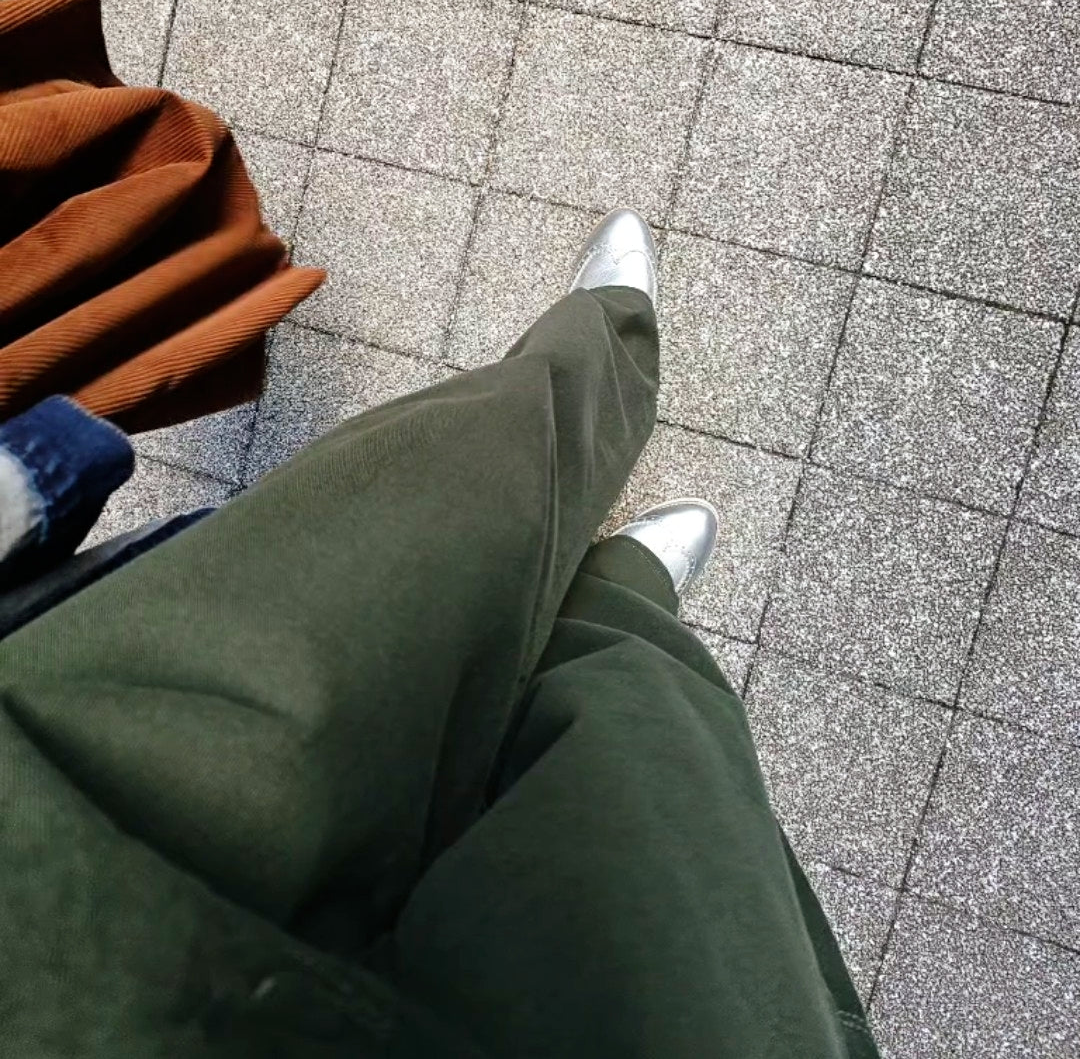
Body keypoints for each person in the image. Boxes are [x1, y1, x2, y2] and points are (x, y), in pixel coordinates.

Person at [0, 210, 880, 1058]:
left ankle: (603, 350)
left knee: (435, 504)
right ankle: (621, 595)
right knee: (637, 785)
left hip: (62, 787)